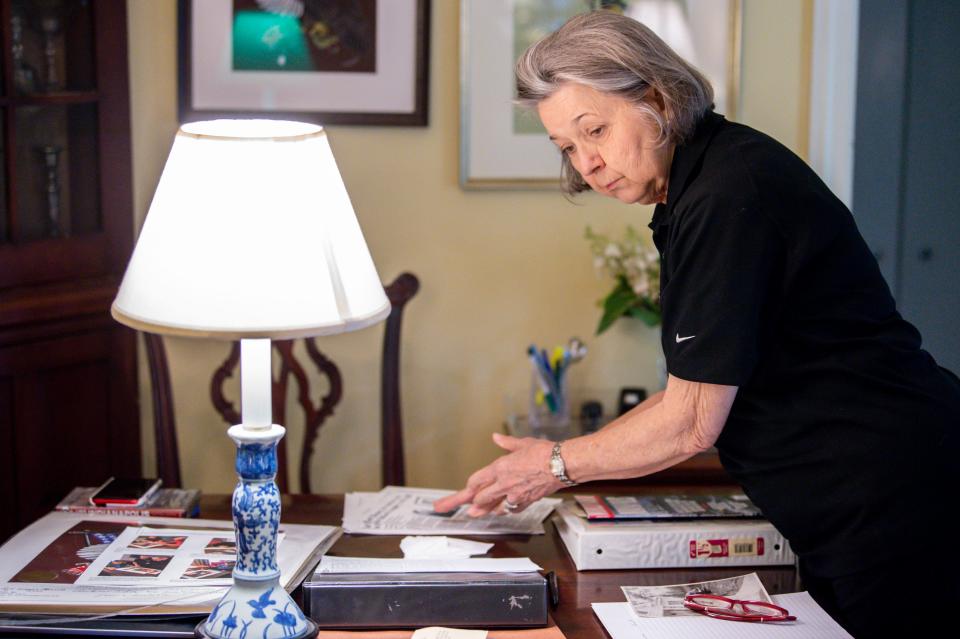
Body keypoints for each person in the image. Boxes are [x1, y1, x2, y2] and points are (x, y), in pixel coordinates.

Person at [433, 11, 960, 638]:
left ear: (656, 97)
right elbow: (695, 389)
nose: (587, 163)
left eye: (594, 130)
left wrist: (553, 465)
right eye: (568, 147)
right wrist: (550, 460)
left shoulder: (725, 193)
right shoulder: (706, 179)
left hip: (898, 495)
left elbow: (689, 425)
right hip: (862, 496)